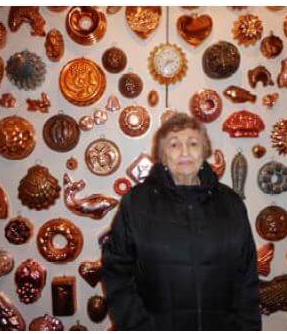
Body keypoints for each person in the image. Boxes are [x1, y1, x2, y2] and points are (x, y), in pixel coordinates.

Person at [102, 113, 260, 330]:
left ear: (205, 151)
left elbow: (247, 277)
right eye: (174, 145)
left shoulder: (230, 203)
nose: (185, 152)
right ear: (163, 155)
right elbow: (116, 271)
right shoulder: (136, 203)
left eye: (193, 143)